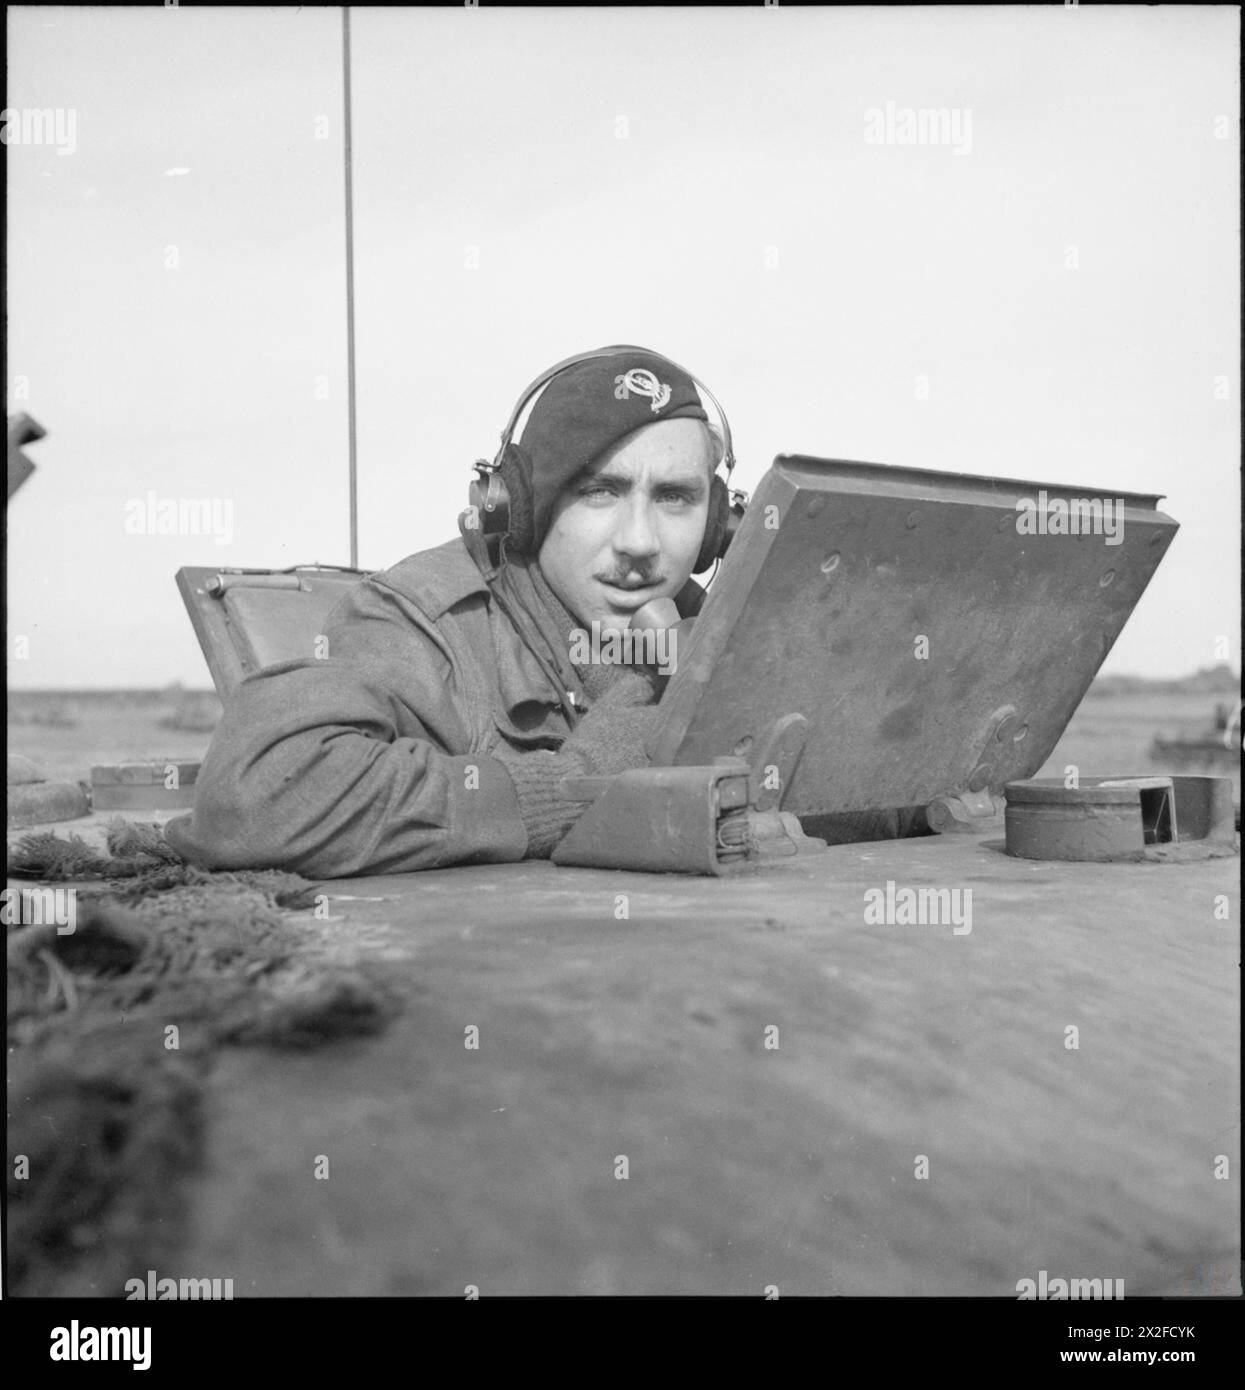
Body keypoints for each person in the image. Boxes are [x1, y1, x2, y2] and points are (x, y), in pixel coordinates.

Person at [164, 346, 737, 878]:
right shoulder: (421, 622)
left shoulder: (721, 628)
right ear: (523, 510)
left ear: (716, 526)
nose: (640, 542)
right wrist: (573, 786)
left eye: (674, 498)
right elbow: (251, 802)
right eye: (600, 492)